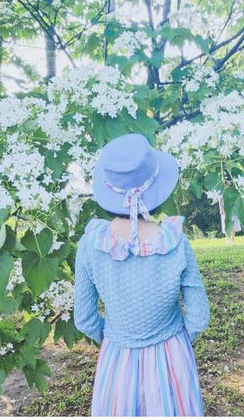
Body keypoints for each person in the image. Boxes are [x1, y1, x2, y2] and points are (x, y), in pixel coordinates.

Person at [75, 133, 209, 416]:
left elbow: (84, 318)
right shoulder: (174, 241)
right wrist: (172, 341)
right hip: (172, 357)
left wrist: (120, 337)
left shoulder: (91, 245)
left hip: (117, 360)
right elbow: (199, 317)